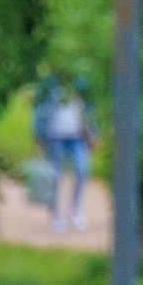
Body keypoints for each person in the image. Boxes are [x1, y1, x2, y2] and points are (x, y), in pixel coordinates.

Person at [32, 76, 95, 231]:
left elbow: (90, 108)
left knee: (82, 170)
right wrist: (38, 132)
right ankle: (55, 215)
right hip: (55, 136)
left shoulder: (82, 81)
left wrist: (92, 132)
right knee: (55, 175)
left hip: (77, 136)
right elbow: (38, 108)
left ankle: (74, 211)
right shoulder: (49, 83)